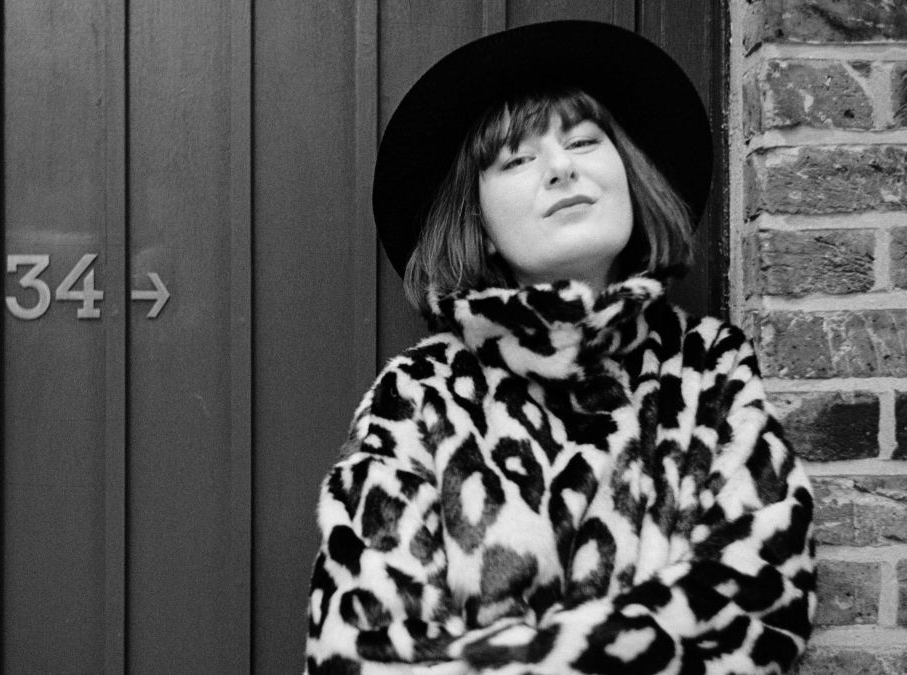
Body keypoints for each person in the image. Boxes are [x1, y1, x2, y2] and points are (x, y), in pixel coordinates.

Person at [304, 21, 816, 675]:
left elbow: (758, 604)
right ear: (479, 222)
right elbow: (362, 650)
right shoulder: (420, 395)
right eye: (516, 160)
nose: (561, 167)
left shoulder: (709, 372)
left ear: (629, 176)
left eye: (582, 140)